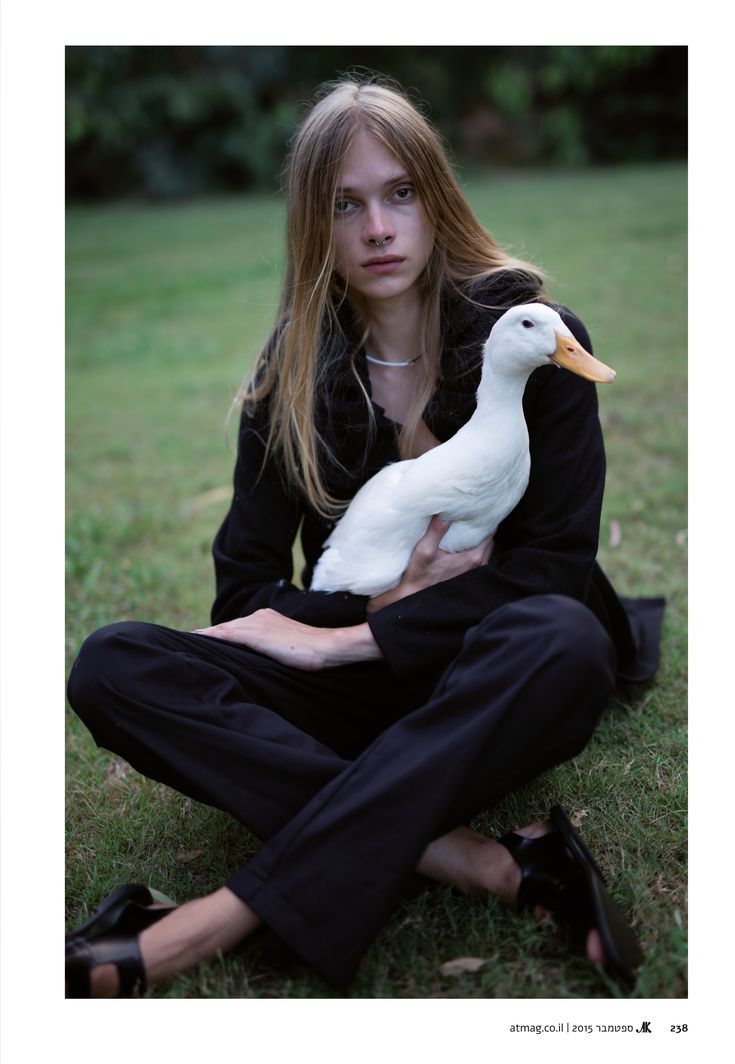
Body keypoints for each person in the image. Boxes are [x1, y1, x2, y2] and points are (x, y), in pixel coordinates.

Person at [65, 76, 664, 998]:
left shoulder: (539, 341)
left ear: (435, 196)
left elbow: (551, 569)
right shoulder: (290, 372)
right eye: (346, 205)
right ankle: (486, 861)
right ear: (316, 224)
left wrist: (366, 630)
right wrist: (353, 627)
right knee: (113, 665)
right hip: (350, 684)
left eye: (398, 194)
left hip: (485, 658)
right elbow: (247, 589)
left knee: (564, 640)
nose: (377, 229)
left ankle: (206, 925)